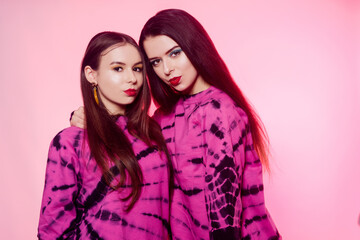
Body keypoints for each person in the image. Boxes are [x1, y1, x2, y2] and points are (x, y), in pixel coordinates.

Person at [71, 9, 281, 240]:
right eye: (156, 62)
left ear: (195, 47)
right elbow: (129, 143)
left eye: (175, 53)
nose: (167, 70)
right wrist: (87, 118)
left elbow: (224, 207)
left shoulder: (218, 110)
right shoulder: (163, 117)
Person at [38, 31, 173, 240]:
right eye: (118, 68)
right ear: (92, 75)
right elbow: (53, 231)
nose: (132, 78)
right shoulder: (69, 142)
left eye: (137, 69)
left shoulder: (154, 133)